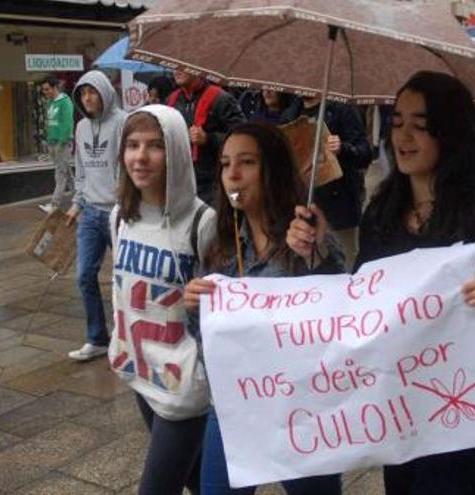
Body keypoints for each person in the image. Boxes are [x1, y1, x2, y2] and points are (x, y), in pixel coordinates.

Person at [288, 71, 475, 495]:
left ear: (452, 133)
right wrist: (316, 252)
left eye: (420, 126)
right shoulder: (382, 210)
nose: (404, 136)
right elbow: (357, 309)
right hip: (399, 406)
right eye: (397, 121)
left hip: (465, 405)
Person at [184, 122, 344, 495]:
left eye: (247, 162)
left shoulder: (306, 234)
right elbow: (205, 340)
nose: (233, 175)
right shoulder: (218, 243)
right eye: (225, 164)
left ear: (271, 169)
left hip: (301, 410)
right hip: (233, 407)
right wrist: (193, 308)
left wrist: (316, 255)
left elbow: (341, 317)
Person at [109, 105, 214, 494]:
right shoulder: (119, 217)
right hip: (140, 372)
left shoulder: (203, 223)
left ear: (176, 153)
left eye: (155, 146)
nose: (141, 156)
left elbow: (219, 307)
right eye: (132, 145)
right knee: (199, 480)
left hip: (185, 388)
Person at [65, 70, 127, 361]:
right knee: (84, 275)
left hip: (118, 212)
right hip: (90, 212)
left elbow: (129, 167)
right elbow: (80, 168)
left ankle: (126, 335)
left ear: (105, 92)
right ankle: (97, 338)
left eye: (93, 91)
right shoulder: (80, 128)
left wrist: (127, 204)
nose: (88, 98)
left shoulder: (123, 122)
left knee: (124, 278)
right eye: (83, 93)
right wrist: (77, 203)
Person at [294, 96, 373, 269]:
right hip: (306, 205)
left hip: (340, 206)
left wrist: (342, 148)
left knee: (347, 263)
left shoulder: (342, 110)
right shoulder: (292, 112)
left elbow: (364, 153)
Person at [167, 70, 245, 205]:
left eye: (183, 63)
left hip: (215, 183)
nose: (176, 70)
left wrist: (209, 138)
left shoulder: (221, 98)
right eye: (174, 65)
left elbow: (243, 138)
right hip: (181, 181)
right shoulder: (171, 100)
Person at [39, 74, 75, 214]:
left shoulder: (65, 102)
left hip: (62, 143)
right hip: (53, 143)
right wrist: (49, 142)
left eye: (47, 89)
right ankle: (80, 199)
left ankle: (54, 205)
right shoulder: (51, 103)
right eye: (44, 90)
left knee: (60, 173)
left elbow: (67, 124)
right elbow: (51, 124)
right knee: (67, 172)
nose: (45, 92)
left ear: (55, 87)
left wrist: (61, 142)